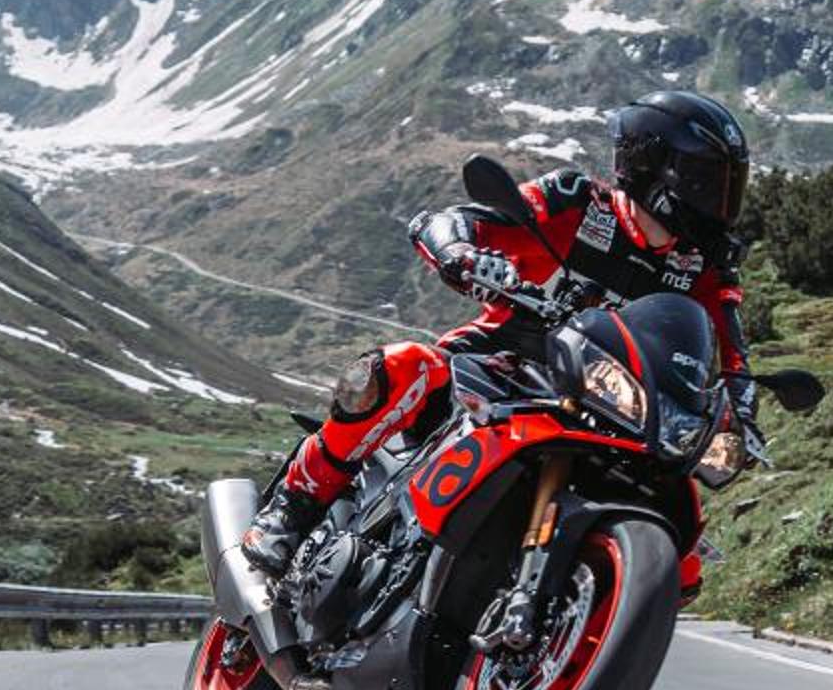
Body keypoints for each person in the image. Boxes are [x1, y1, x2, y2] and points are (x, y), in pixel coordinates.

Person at [242, 89, 760, 575]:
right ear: (652, 165)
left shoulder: (705, 270)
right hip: (495, 365)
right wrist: (458, 252)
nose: (719, 202)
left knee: (684, 553)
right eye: (706, 182)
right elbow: (461, 221)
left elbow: (733, 358)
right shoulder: (577, 202)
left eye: (727, 187)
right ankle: (293, 506)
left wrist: (742, 412)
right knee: (402, 367)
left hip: (607, 410)